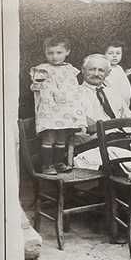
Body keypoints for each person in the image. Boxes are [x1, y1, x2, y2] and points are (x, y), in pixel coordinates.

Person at [29, 36, 82, 172]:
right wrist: (38, 84)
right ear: (45, 53)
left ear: (67, 52)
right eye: (50, 53)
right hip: (49, 109)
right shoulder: (42, 69)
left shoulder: (70, 69)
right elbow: (35, 87)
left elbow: (73, 87)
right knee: (49, 137)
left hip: (65, 110)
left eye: (59, 52)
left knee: (61, 138)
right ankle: (47, 165)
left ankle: (58, 162)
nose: (54, 57)